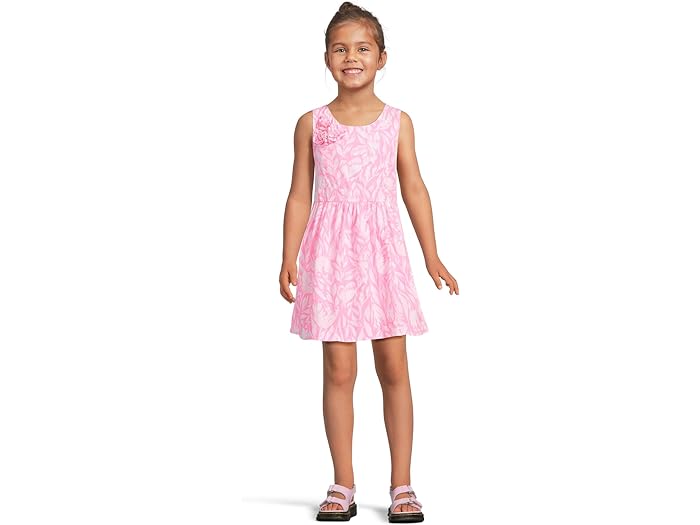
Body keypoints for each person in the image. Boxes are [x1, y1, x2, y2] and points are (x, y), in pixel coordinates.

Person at [279, 2, 458, 522]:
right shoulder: (311, 124)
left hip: (382, 253)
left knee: (394, 366)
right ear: (326, 58)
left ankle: (402, 484)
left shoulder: (398, 123)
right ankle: (343, 483)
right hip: (330, 255)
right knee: (339, 369)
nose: (351, 57)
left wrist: (431, 253)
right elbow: (299, 194)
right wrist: (288, 254)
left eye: (362, 48)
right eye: (340, 49)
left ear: (382, 58)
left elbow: (414, 187)